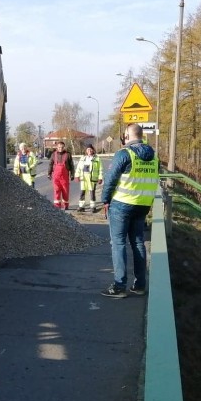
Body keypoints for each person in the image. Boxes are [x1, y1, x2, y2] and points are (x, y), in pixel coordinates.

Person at [100, 123, 159, 298]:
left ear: (127, 136)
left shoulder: (124, 154)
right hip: (143, 205)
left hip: (122, 204)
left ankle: (119, 286)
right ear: (141, 135)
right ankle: (140, 284)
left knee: (118, 244)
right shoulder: (154, 156)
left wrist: (105, 200)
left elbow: (110, 179)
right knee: (138, 243)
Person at [47, 141, 74, 210]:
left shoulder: (68, 154)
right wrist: (49, 174)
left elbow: (71, 166)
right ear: (57, 147)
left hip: (65, 177)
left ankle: (66, 205)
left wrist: (72, 174)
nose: (60, 148)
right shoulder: (53, 155)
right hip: (56, 177)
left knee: (65, 191)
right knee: (56, 191)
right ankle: (57, 206)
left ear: (64, 147)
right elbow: (50, 164)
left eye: (62, 147)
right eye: (59, 147)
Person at [74, 144, 102, 212]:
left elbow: (100, 169)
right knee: (82, 192)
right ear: (86, 151)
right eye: (88, 149)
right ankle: (81, 206)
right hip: (83, 177)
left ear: (93, 150)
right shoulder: (83, 158)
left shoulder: (97, 159)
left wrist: (100, 178)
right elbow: (78, 168)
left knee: (92, 192)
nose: (89, 151)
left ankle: (93, 207)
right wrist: (76, 176)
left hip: (92, 178)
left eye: (90, 149)